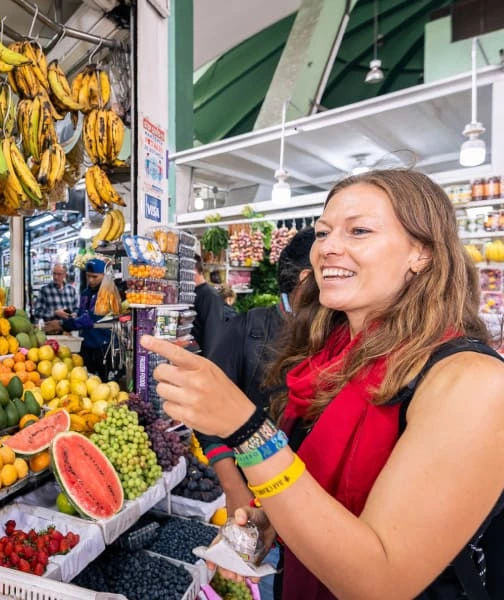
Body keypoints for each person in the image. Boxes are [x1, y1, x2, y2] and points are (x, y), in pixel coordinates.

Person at [143, 170, 504, 599]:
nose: (328, 247)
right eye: (323, 232)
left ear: (422, 253)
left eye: (359, 231)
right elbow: (321, 494)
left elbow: (380, 584)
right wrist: (275, 518)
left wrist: (246, 428)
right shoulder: (331, 358)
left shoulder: (474, 382)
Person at [199, 227, 315, 600]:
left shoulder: (342, 335)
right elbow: (207, 408)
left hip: (317, 509)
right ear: (306, 280)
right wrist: (233, 486)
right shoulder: (248, 328)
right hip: (256, 505)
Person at [45, 259, 112, 378]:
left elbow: (89, 318)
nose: (90, 280)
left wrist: (62, 324)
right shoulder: (85, 293)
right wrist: (72, 317)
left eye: (95, 277)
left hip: (102, 345)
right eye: (88, 276)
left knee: (103, 380)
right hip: (86, 343)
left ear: (104, 275)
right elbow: (82, 315)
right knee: (86, 378)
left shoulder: (107, 295)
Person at [192, 255, 224, 355]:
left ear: (193, 270)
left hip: (200, 357)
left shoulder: (210, 295)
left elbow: (212, 333)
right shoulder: (192, 292)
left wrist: (207, 360)